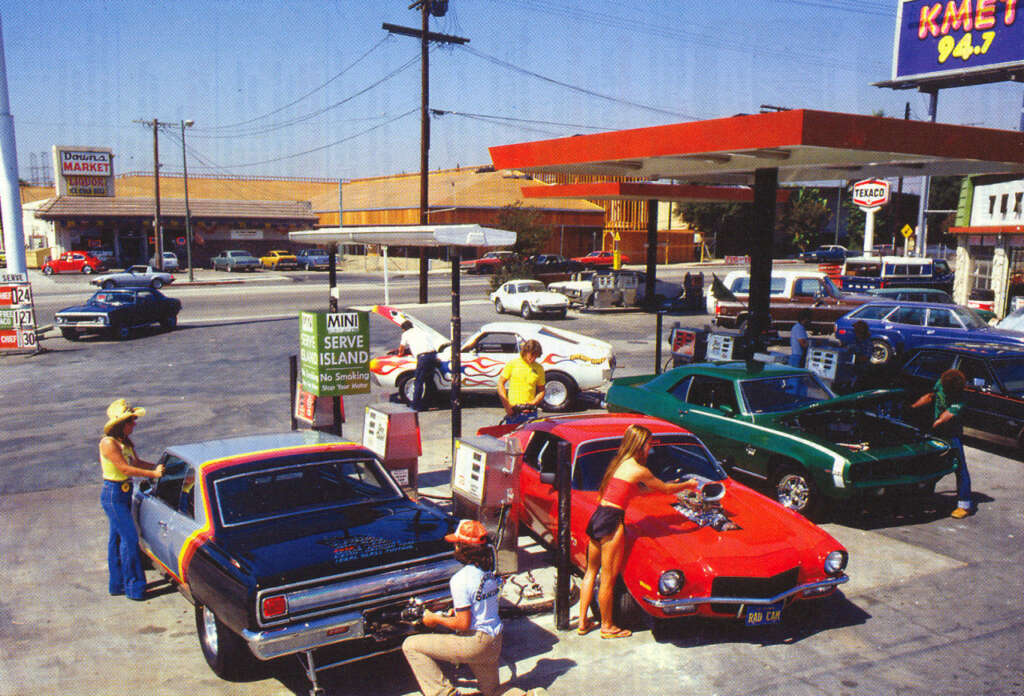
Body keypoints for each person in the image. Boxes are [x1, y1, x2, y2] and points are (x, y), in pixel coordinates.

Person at [577, 425, 698, 639]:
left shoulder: (619, 463)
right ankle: (607, 627)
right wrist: (688, 484)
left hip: (598, 516)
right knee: (608, 579)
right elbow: (665, 489)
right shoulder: (639, 469)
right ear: (640, 444)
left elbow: (638, 490)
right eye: (649, 444)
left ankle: (582, 622)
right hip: (613, 521)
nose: (650, 448)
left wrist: (670, 485)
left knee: (590, 572)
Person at [402, 519, 549, 696]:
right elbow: (480, 603)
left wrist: (433, 618)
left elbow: (463, 624)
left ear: (463, 548)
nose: (454, 547)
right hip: (493, 641)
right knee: (492, 691)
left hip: (474, 643)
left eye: (456, 544)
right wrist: (454, 613)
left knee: (411, 645)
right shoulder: (488, 572)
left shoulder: (460, 579)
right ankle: (530, 695)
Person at [99, 399, 163, 600]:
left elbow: (136, 462)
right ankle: (135, 588)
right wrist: (153, 475)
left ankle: (117, 584)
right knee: (130, 538)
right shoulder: (108, 443)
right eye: (131, 420)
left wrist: (157, 468)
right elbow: (125, 468)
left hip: (124, 491)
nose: (134, 424)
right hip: (114, 494)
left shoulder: (124, 442)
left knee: (116, 539)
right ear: (122, 423)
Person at [910, 369, 973, 518]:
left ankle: (965, 504)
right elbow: (930, 396)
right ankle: (925, 499)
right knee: (930, 465)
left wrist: (931, 426)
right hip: (935, 433)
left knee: (960, 468)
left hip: (952, 434)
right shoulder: (941, 383)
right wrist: (913, 407)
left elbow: (945, 417)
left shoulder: (961, 399)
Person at [497, 340, 545, 426]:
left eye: (536, 356)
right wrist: (507, 406)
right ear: (525, 351)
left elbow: (541, 390)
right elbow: (500, 383)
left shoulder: (539, 368)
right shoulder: (513, 364)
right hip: (514, 412)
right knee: (512, 438)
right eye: (531, 355)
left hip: (530, 413)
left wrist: (533, 403)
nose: (533, 358)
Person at [400, 319, 440, 411]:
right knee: (430, 381)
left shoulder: (405, 334)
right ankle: (432, 404)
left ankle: (416, 406)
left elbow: (401, 349)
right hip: (432, 356)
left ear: (404, 329)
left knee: (418, 381)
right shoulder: (422, 331)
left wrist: (400, 353)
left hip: (423, 358)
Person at [848, 319, 873, 391]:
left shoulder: (867, 342)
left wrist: (853, 358)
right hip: (852, 367)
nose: (854, 331)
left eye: (856, 329)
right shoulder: (854, 340)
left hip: (861, 370)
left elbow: (865, 358)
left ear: (861, 331)